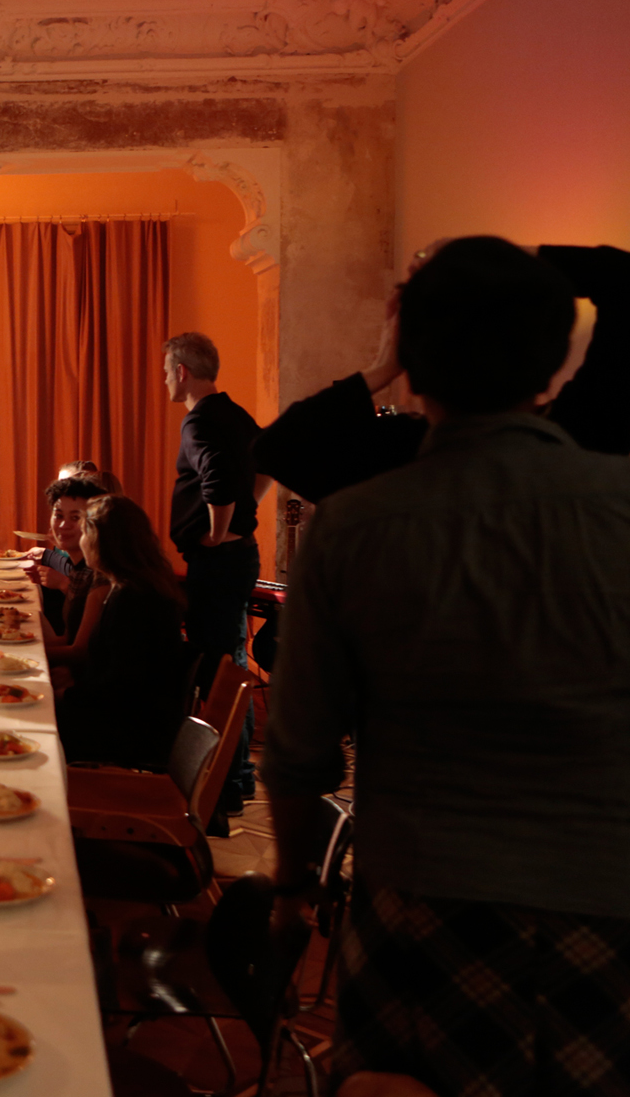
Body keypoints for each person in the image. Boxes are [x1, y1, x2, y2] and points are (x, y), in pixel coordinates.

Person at [262, 237, 630, 1097]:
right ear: (553, 364)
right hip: (607, 903)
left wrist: (292, 888)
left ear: (414, 361)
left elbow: (300, 750)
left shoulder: (356, 527)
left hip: (424, 907)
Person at [254, 242, 630, 501]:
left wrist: (383, 367)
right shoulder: (595, 448)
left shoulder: (392, 469)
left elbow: (277, 446)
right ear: (554, 359)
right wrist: (497, 259)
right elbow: (623, 276)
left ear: (412, 365)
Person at [164, 332, 262, 814]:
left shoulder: (199, 420)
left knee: (218, 671)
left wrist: (218, 532)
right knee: (233, 665)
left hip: (219, 561)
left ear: (182, 372)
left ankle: (226, 785)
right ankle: (238, 777)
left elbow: (218, 479)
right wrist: (243, 513)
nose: (165, 380)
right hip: (239, 556)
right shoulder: (235, 413)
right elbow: (268, 462)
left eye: (167, 371)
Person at [56, 496, 186, 768]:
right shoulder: (139, 585)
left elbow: (122, 684)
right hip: (135, 716)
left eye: (85, 533)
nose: (82, 540)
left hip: (133, 732)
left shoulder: (131, 599)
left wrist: (67, 695)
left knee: (32, 724)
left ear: (101, 542)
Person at [33, 474, 110, 669]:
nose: (63, 525)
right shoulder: (78, 569)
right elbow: (68, 638)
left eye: (75, 518)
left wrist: (25, 654)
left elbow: (81, 652)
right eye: (58, 515)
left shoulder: (99, 573)